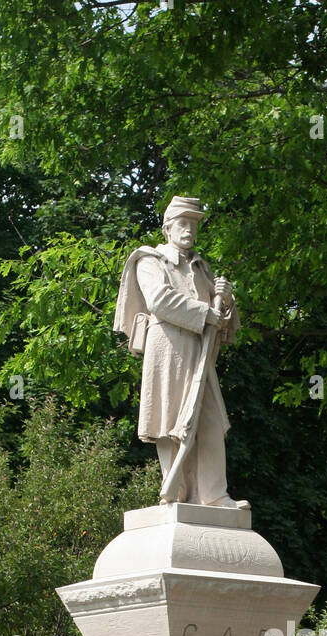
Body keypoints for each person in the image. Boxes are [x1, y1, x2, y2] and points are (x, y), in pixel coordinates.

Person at [114, 196, 248, 508]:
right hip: (168, 346)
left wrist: (225, 302)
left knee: (210, 419)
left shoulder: (202, 268)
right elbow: (159, 300)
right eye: (182, 223)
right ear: (167, 228)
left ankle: (215, 496)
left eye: (194, 224)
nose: (189, 229)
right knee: (170, 418)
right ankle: (174, 492)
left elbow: (223, 320)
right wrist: (206, 312)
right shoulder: (149, 261)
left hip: (201, 350)